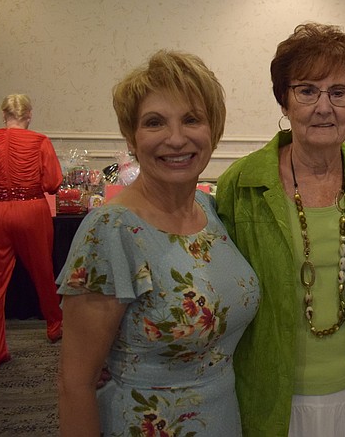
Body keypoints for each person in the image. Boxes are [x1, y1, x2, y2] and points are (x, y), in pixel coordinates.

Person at [56, 51, 260, 436]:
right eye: (154, 122)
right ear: (132, 138)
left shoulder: (208, 209)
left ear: (212, 130)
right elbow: (75, 384)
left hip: (223, 419)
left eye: (191, 119)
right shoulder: (110, 231)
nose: (176, 138)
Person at [215, 22, 345, 436]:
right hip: (272, 396)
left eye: (339, 92)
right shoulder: (241, 184)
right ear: (284, 99)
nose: (323, 106)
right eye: (307, 90)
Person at [0, 94, 64, 368]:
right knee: (43, 271)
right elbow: (53, 182)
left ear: (3, 114)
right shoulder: (39, 141)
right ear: (28, 115)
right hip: (31, 209)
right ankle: (55, 325)